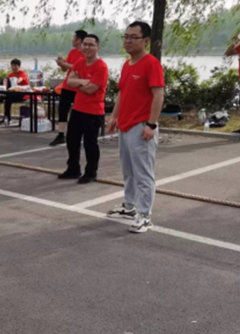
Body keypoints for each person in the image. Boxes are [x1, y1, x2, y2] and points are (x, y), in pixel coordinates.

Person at [106, 21, 164, 233]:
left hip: (141, 127)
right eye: (126, 36)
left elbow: (158, 95)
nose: (128, 41)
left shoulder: (151, 64)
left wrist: (151, 124)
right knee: (128, 170)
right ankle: (129, 206)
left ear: (145, 41)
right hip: (125, 125)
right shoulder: (127, 64)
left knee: (143, 173)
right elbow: (123, 92)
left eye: (133, 37)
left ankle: (145, 215)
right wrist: (114, 117)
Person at [58, 34, 108, 184]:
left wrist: (78, 83)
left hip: (93, 111)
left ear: (98, 47)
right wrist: (84, 81)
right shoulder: (80, 62)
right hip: (78, 109)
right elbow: (69, 82)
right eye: (85, 44)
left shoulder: (101, 67)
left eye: (91, 45)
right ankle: (73, 169)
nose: (87, 47)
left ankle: (91, 172)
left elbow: (91, 89)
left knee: (89, 143)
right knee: (72, 140)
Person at [50, 29, 87, 146]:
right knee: (62, 110)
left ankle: (79, 134)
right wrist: (61, 64)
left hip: (78, 88)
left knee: (78, 111)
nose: (72, 40)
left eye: (74, 37)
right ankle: (61, 134)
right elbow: (66, 68)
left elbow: (79, 67)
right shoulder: (72, 52)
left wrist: (65, 64)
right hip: (67, 86)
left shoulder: (86, 53)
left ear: (79, 40)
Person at [1, 58, 29, 126]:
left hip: (23, 94)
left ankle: (6, 117)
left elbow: (19, 80)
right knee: (7, 98)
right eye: (12, 65)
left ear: (19, 66)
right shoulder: (10, 74)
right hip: (13, 94)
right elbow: (7, 85)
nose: (14, 67)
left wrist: (15, 80)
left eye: (15, 66)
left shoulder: (22, 73)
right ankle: (7, 118)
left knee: (8, 98)